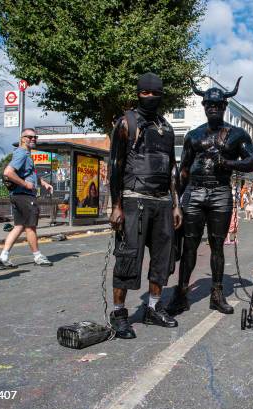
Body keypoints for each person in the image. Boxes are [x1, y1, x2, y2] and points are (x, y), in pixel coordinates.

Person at [167, 77, 253, 316]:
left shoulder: (237, 134)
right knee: (190, 245)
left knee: (217, 245)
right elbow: (183, 170)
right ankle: (182, 293)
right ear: (204, 107)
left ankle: (217, 294)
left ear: (224, 107)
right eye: (209, 104)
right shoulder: (193, 135)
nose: (213, 108)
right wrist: (176, 202)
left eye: (218, 105)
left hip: (220, 191)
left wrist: (228, 162)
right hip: (195, 192)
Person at [107, 72, 183, 338]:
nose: (149, 97)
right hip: (133, 201)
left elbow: (173, 168)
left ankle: (153, 308)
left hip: (162, 203)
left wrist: (175, 204)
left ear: (161, 95)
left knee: (163, 260)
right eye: (144, 93)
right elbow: (114, 166)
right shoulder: (126, 122)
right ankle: (118, 313)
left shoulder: (167, 128)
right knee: (128, 259)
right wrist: (116, 205)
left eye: (154, 93)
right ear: (138, 93)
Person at [0, 128, 54, 269]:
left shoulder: (26, 154)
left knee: (19, 226)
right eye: (30, 137)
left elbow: (29, 174)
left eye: (35, 137)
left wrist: (43, 183)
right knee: (30, 227)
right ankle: (38, 256)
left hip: (17, 195)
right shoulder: (22, 153)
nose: (33, 139)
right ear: (23, 138)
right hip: (24, 196)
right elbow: (8, 172)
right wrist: (25, 184)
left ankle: (3, 256)